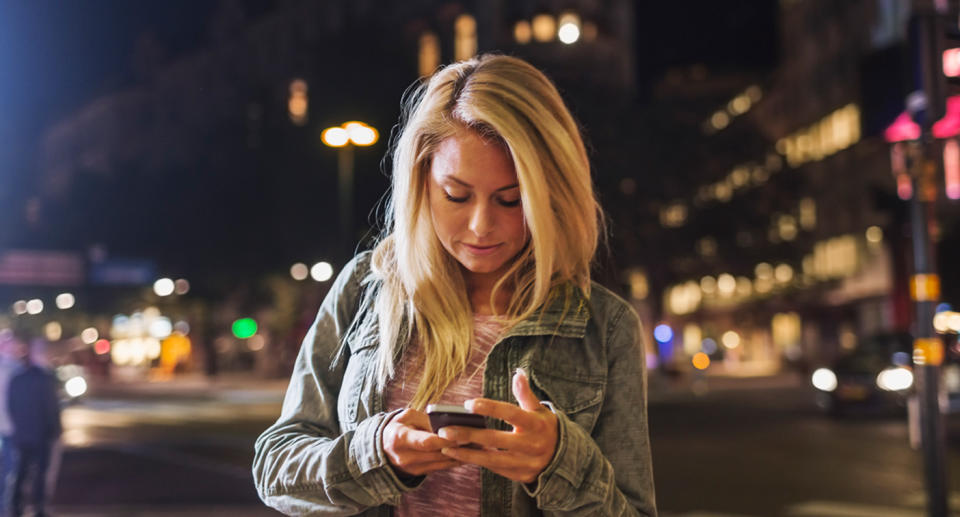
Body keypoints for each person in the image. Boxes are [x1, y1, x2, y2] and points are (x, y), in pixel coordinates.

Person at [253, 54, 657, 516]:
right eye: (456, 195)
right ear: (421, 180)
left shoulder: (604, 328)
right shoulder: (365, 288)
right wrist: (375, 452)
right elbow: (275, 467)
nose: (481, 226)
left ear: (554, 195)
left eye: (511, 200)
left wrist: (559, 463)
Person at [7, 333, 61, 517]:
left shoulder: (17, 378)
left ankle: (16, 506)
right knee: (40, 474)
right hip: (42, 435)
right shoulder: (45, 379)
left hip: (22, 435)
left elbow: (11, 406)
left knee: (21, 472)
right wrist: (56, 431)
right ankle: (39, 508)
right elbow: (51, 409)